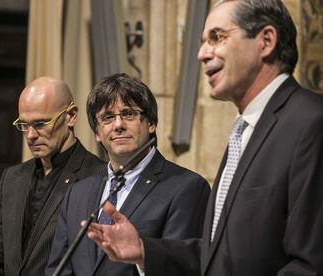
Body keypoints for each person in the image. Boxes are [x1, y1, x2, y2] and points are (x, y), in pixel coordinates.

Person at [86, 0, 323, 275]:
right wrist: (143, 250)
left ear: (266, 41)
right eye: (202, 41)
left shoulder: (310, 123)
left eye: (217, 37)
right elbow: (221, 255)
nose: (201, 53)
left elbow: (311, 263)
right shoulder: (245, 129)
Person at [45, 73, 210, 276]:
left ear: (151, 123)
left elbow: (182, 269)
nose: (118, 125)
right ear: (97, 133)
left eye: (128, 114)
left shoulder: (188, 188)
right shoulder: (76, 194)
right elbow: (58, 269)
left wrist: (142, 254)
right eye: (107, 117)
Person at [0, 76, 104, 276]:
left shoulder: (99, 177)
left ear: (71, 116)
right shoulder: (12, 177)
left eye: (41, 123)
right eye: (24, 125)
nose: (30, 135)